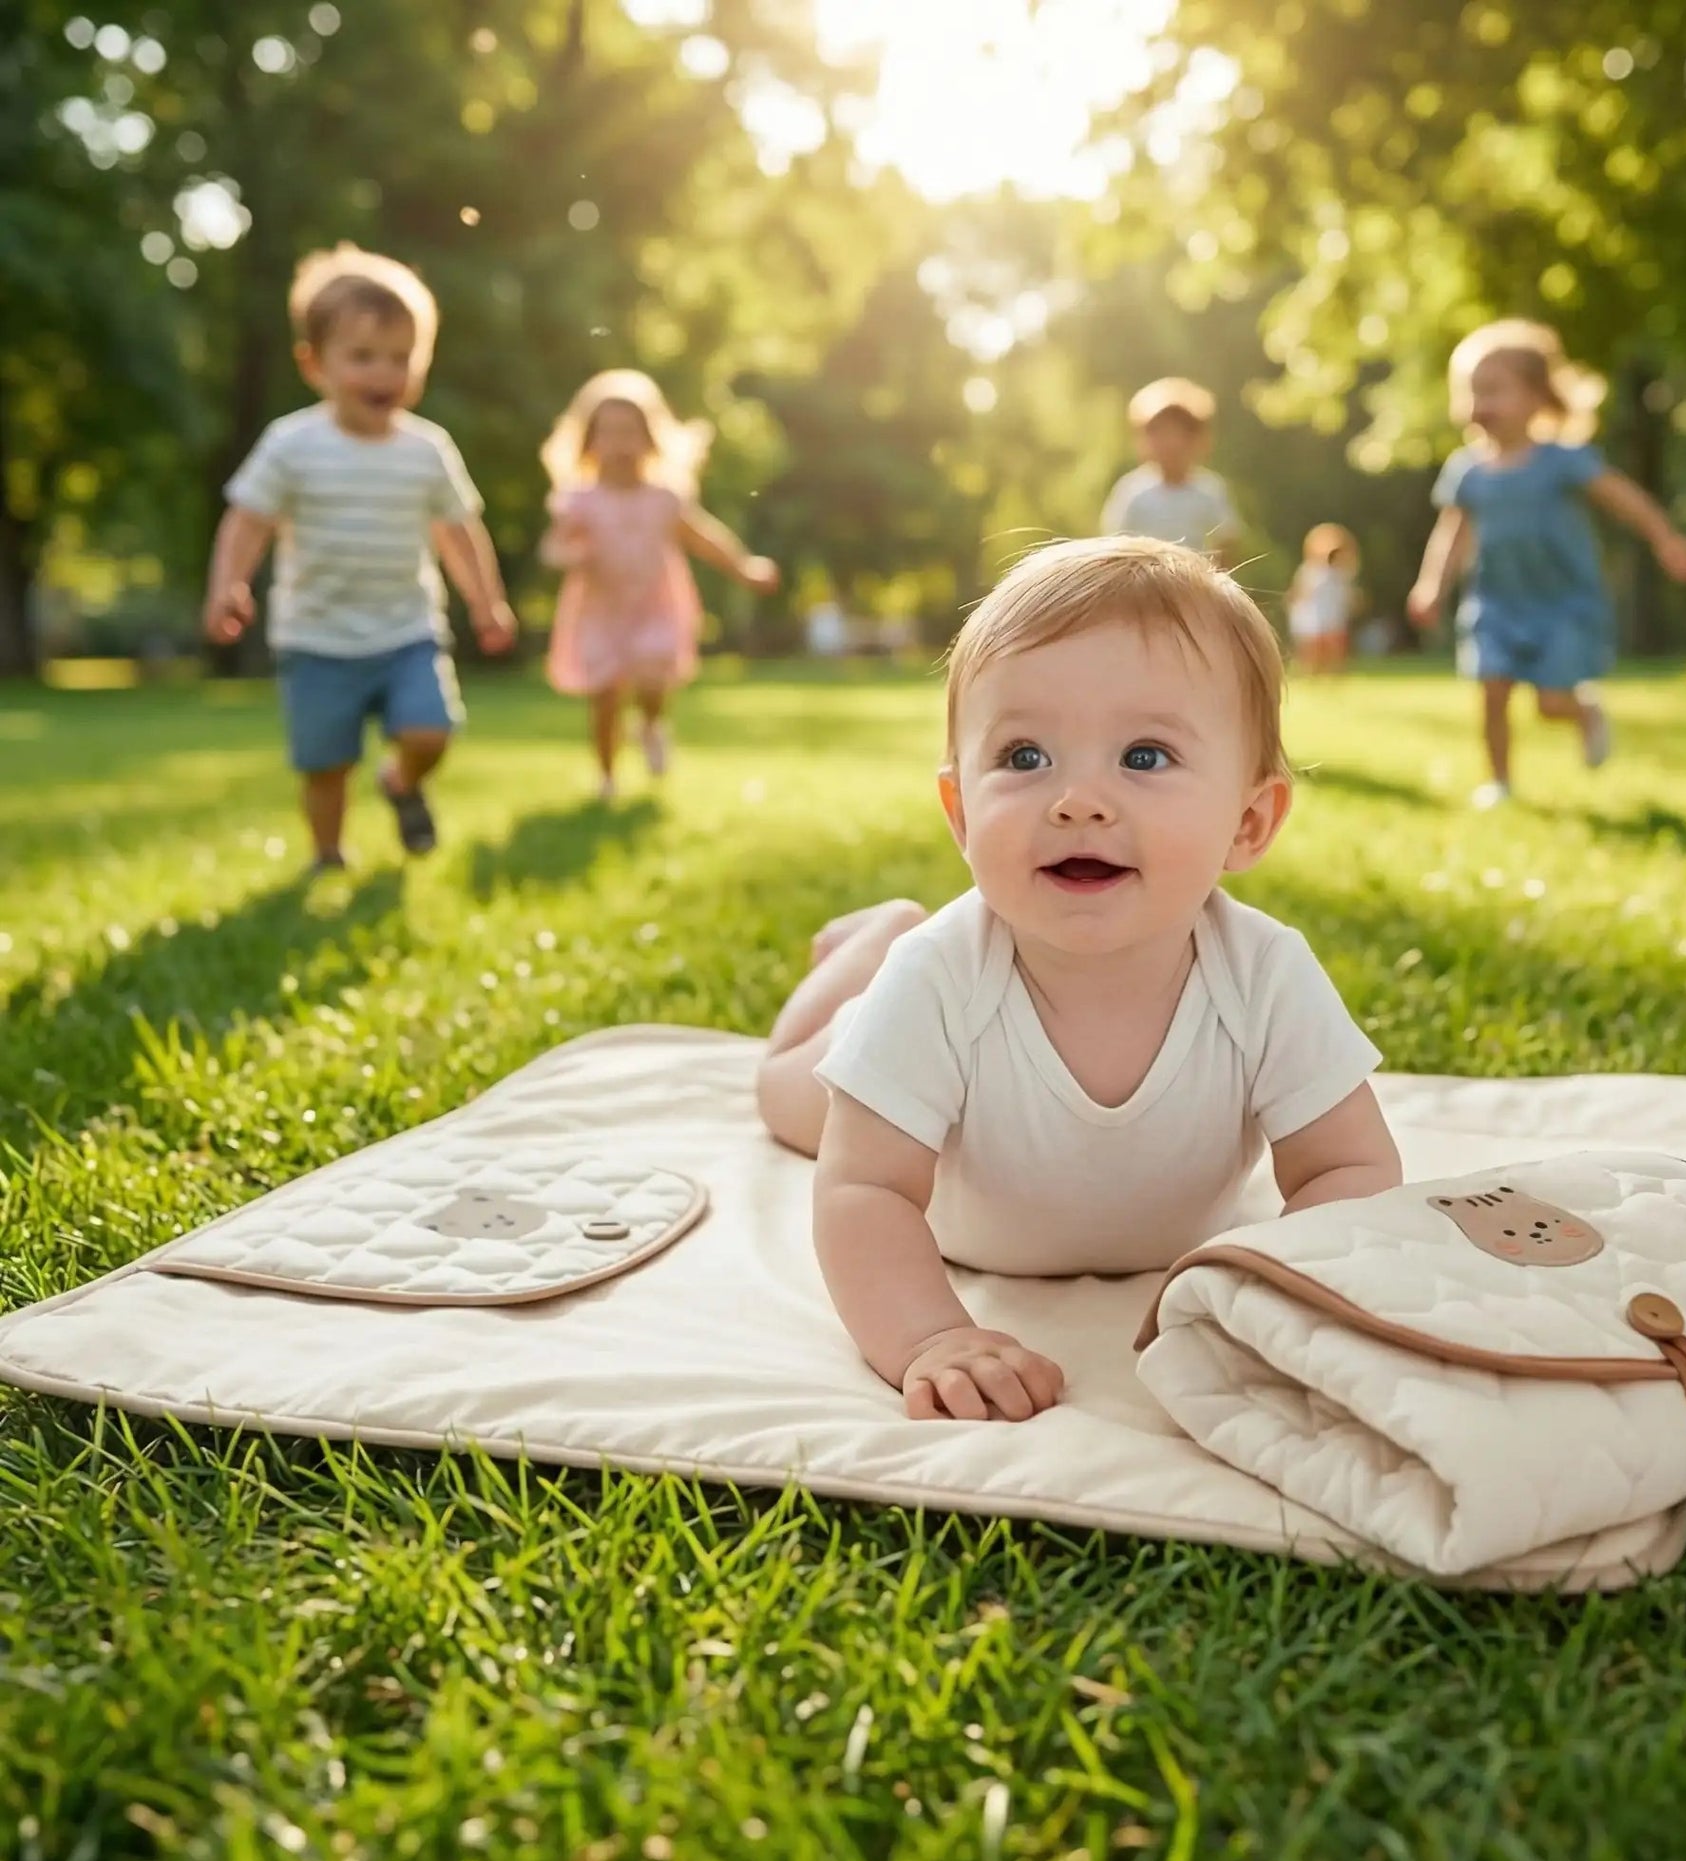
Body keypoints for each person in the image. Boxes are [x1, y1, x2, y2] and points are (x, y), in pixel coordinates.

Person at [757, 536, 1402, 1424]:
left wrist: (1295, 1298)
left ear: (1248, 822)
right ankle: (875, 937)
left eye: (1144, 757)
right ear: (960, 813)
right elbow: (863, 1190)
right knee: (786, 1098)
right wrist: (930, 1336)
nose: (1078, 801)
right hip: (897, 1045)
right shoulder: (941, 979)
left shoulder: (1265, 977)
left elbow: (1351, 1167)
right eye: (1024, 758)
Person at [204, 243, 516, 872]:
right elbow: (247, 520)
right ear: (313, 364)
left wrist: (487, 601)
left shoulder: (427, 451)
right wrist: (226, 587)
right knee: (325, 764)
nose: (384, 374)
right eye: (363, 357)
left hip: (406, 631)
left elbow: (459, 532)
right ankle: (328, 853)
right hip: (316, 638)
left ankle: (402, 780)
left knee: (432, 731)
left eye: (401, 359)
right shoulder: (292, 445)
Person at [1406, 319, 1686, 809]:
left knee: (1550, 703)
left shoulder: (1561, 462)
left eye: (1495, 390)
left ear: (1537, 396)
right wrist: (1431, 587)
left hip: (1562, 603)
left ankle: (1582, 714)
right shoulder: (1466, 471)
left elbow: (1622, 498)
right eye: (1472, 391)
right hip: (1496, 602)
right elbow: (1452, 533)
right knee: (1492, 689)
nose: (1481, 404)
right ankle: (1499, 781)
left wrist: (1666, 538)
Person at [538, 371, 777, 798]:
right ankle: (607, 777)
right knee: (605, 698)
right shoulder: (579, 500)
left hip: (655, 605)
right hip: (599, 612)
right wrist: (571, 555)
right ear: (589, 442)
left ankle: (649, 724)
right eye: (608, 433)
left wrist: (743, 567)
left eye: (630, 432)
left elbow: (704, 538)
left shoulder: (665, 497)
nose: (620, 444)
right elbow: (551, 549)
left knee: (652, 679)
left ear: (650, 438)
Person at [1100, 378, 1240, 566]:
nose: (1171, 443)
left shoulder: (1210, 490)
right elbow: (1113, 546)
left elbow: (1227, 543)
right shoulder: (1132, 491)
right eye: (1160, 433)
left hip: (1193, 586)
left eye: (1180, 433)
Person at [1287, 524, 1360, 675]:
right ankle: (1312, 673)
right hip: (1315, 616)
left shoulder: (1341, 573)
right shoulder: (1310, 571)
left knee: (1335, 648)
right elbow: (1299, 594)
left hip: (1333, 616)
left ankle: (1333, 675)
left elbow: (1346, 594)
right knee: (1314, 651)